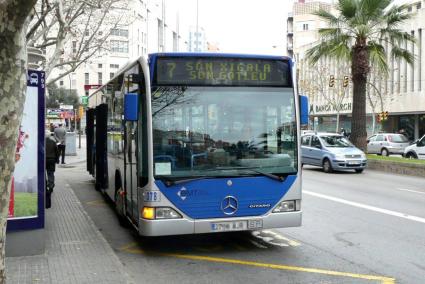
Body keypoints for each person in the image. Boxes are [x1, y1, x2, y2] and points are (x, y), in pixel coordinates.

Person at [45, 131, 59, 208]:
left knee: (43, 174)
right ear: (49, 135)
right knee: (50, 173)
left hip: (44, 160)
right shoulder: (53, 142)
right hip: (51, 160)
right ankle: (50, 187)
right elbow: (57, 152)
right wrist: (57, 160)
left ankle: (44, 186)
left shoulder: (41, 142)